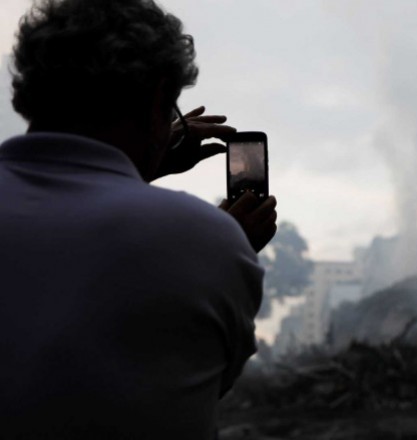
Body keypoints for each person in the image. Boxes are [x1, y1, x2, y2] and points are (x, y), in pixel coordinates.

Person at [0, 0, 277, 438]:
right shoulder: (207, 242)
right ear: (156, 99)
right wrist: (232, 246)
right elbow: (197, 385)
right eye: (172, 113)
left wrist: (140, 167)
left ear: (28, 91)